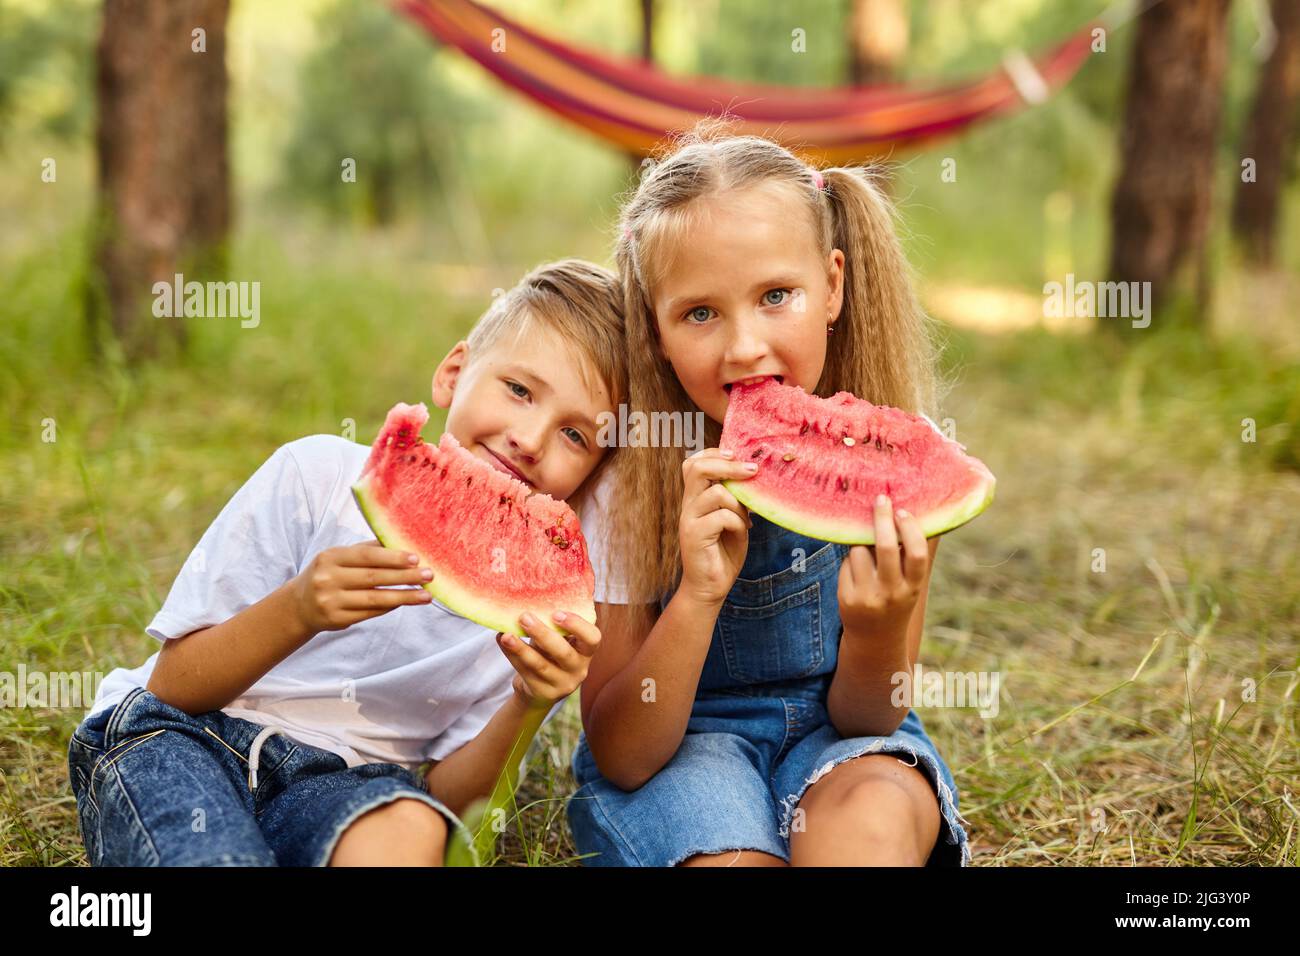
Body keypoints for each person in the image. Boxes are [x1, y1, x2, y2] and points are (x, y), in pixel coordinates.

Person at [68, 259, 625, 866]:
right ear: (453, 373)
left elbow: (452, 799)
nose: (530, 438)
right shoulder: (317, 476)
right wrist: (299, 609)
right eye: (519, 390)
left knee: (411, 827)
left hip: (348, 785)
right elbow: (173, 686)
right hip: (183, 737)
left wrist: (528, 701)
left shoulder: (532, 616)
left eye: (576, 436)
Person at [567, 126, 973, 866]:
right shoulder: (625, 485)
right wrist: (695, 595)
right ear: (654, 330)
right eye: (699, 313)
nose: (744, 346)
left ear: (834, 286)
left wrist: (879, 627)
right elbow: (624, 753)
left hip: (839, 744)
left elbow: (868, 716)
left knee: (874, 827)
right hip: (684, 749)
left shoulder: (891, 469)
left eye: (776, 296)